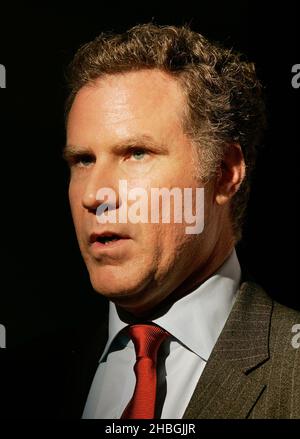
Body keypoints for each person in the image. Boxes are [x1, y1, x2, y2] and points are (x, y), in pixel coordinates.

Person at [61, 23, 300, 419]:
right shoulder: (26, 378)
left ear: (224, 172)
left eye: (136, 153)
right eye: (83, 160)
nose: (95, 196)